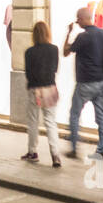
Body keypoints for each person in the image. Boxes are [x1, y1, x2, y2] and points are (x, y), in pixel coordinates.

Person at [63, 5, 103, 160]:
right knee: (101, 116)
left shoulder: (83, 37)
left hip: (85, 83)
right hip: (101, 81)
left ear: (83, 19)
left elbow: (65, 52)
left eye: (78, 18)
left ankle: (74, 148)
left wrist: (69, 32)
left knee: (74, 114)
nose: (77, 21)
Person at [23, 21, 63, 168]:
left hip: (35, 88)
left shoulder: (29, 52)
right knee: (50, 121)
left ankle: (32, 152)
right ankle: (55, 155)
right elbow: (55, 69)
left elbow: (28, 73)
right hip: (50, 88)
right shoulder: (54, 49)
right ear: (47, 33)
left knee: (33, 121)